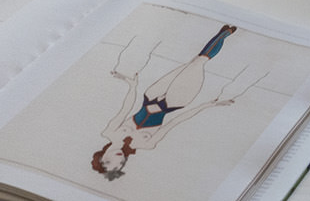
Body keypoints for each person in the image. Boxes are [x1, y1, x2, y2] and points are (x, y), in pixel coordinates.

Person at [90, 24, 242, 178]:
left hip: (150, 96)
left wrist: (133, 87)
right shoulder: (147, 145)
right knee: (199, 62)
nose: (118, 158)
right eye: (121, 164)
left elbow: (126, 109)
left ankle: (221, 34)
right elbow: (174, 122)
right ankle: (224, 34)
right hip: (176, 101)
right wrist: (207, 105)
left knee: (193, 62)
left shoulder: (109, 132)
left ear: (101, 156)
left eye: (109, 162)